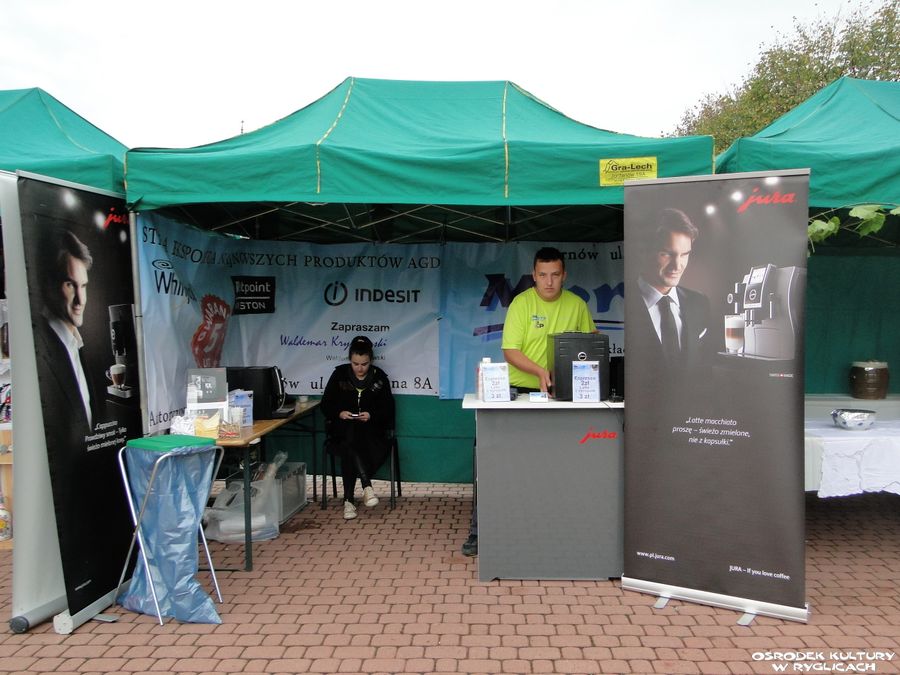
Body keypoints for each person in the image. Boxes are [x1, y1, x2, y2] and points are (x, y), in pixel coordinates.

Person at [461, 246, 593, 556]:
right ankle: (479, 532)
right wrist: (540, 372)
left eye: (555, 275)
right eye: (543, 275)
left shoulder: (577, 305)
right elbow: (510, 350)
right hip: (518, 393)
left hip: (563, 397)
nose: (549, 282)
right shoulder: (521, 303)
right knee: (491, 460)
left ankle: (557, 526)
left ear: (564, 275)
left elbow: (591, 344)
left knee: (558, 465)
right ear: (534, 275)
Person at [33, 229, 103, 451]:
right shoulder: (40, 347)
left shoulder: (77, 344)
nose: (80, 300)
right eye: (70, 285)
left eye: (83, 286)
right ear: (50, 284)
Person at [321, 335, 396, 520]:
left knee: (350, 445)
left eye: (364, 364)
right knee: (350, 437)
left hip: (371, 432)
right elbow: (326, 404)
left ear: (371, 361)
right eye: (355, 364)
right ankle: (366, 486)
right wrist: (340, 413)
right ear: (349, 360)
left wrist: (371, 415)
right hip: (341, 430)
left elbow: (388, 409)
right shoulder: (339, 375)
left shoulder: (379, 377)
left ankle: (349, 501)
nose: (360, 368)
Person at [631, 207, 710, 372]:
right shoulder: (624, 302)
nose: (677, 265)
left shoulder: (699, 303)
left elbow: (705, 368)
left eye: (684, 254)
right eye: (666, 254)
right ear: (644, 252)